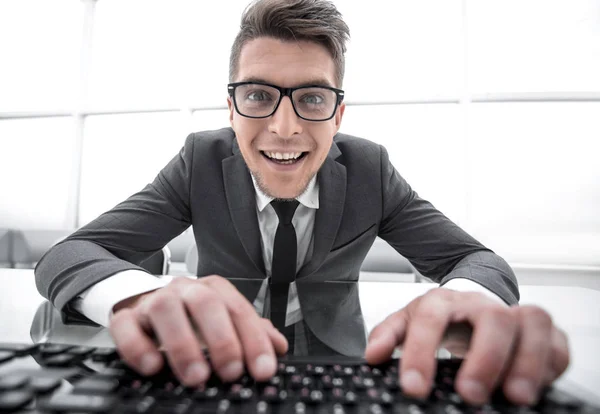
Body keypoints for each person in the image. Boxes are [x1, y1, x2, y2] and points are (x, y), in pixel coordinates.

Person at [35, 0, 569, 406]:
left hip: (339, 366)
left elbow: (479, 263)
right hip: (215, 360)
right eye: (259, 95)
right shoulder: (200, 160)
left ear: (338, 115)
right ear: (231, 107)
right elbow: (70, 254)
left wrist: (466, 297)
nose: (284, 128)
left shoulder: (369, 171)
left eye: (312, 98)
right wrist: (137, 296)